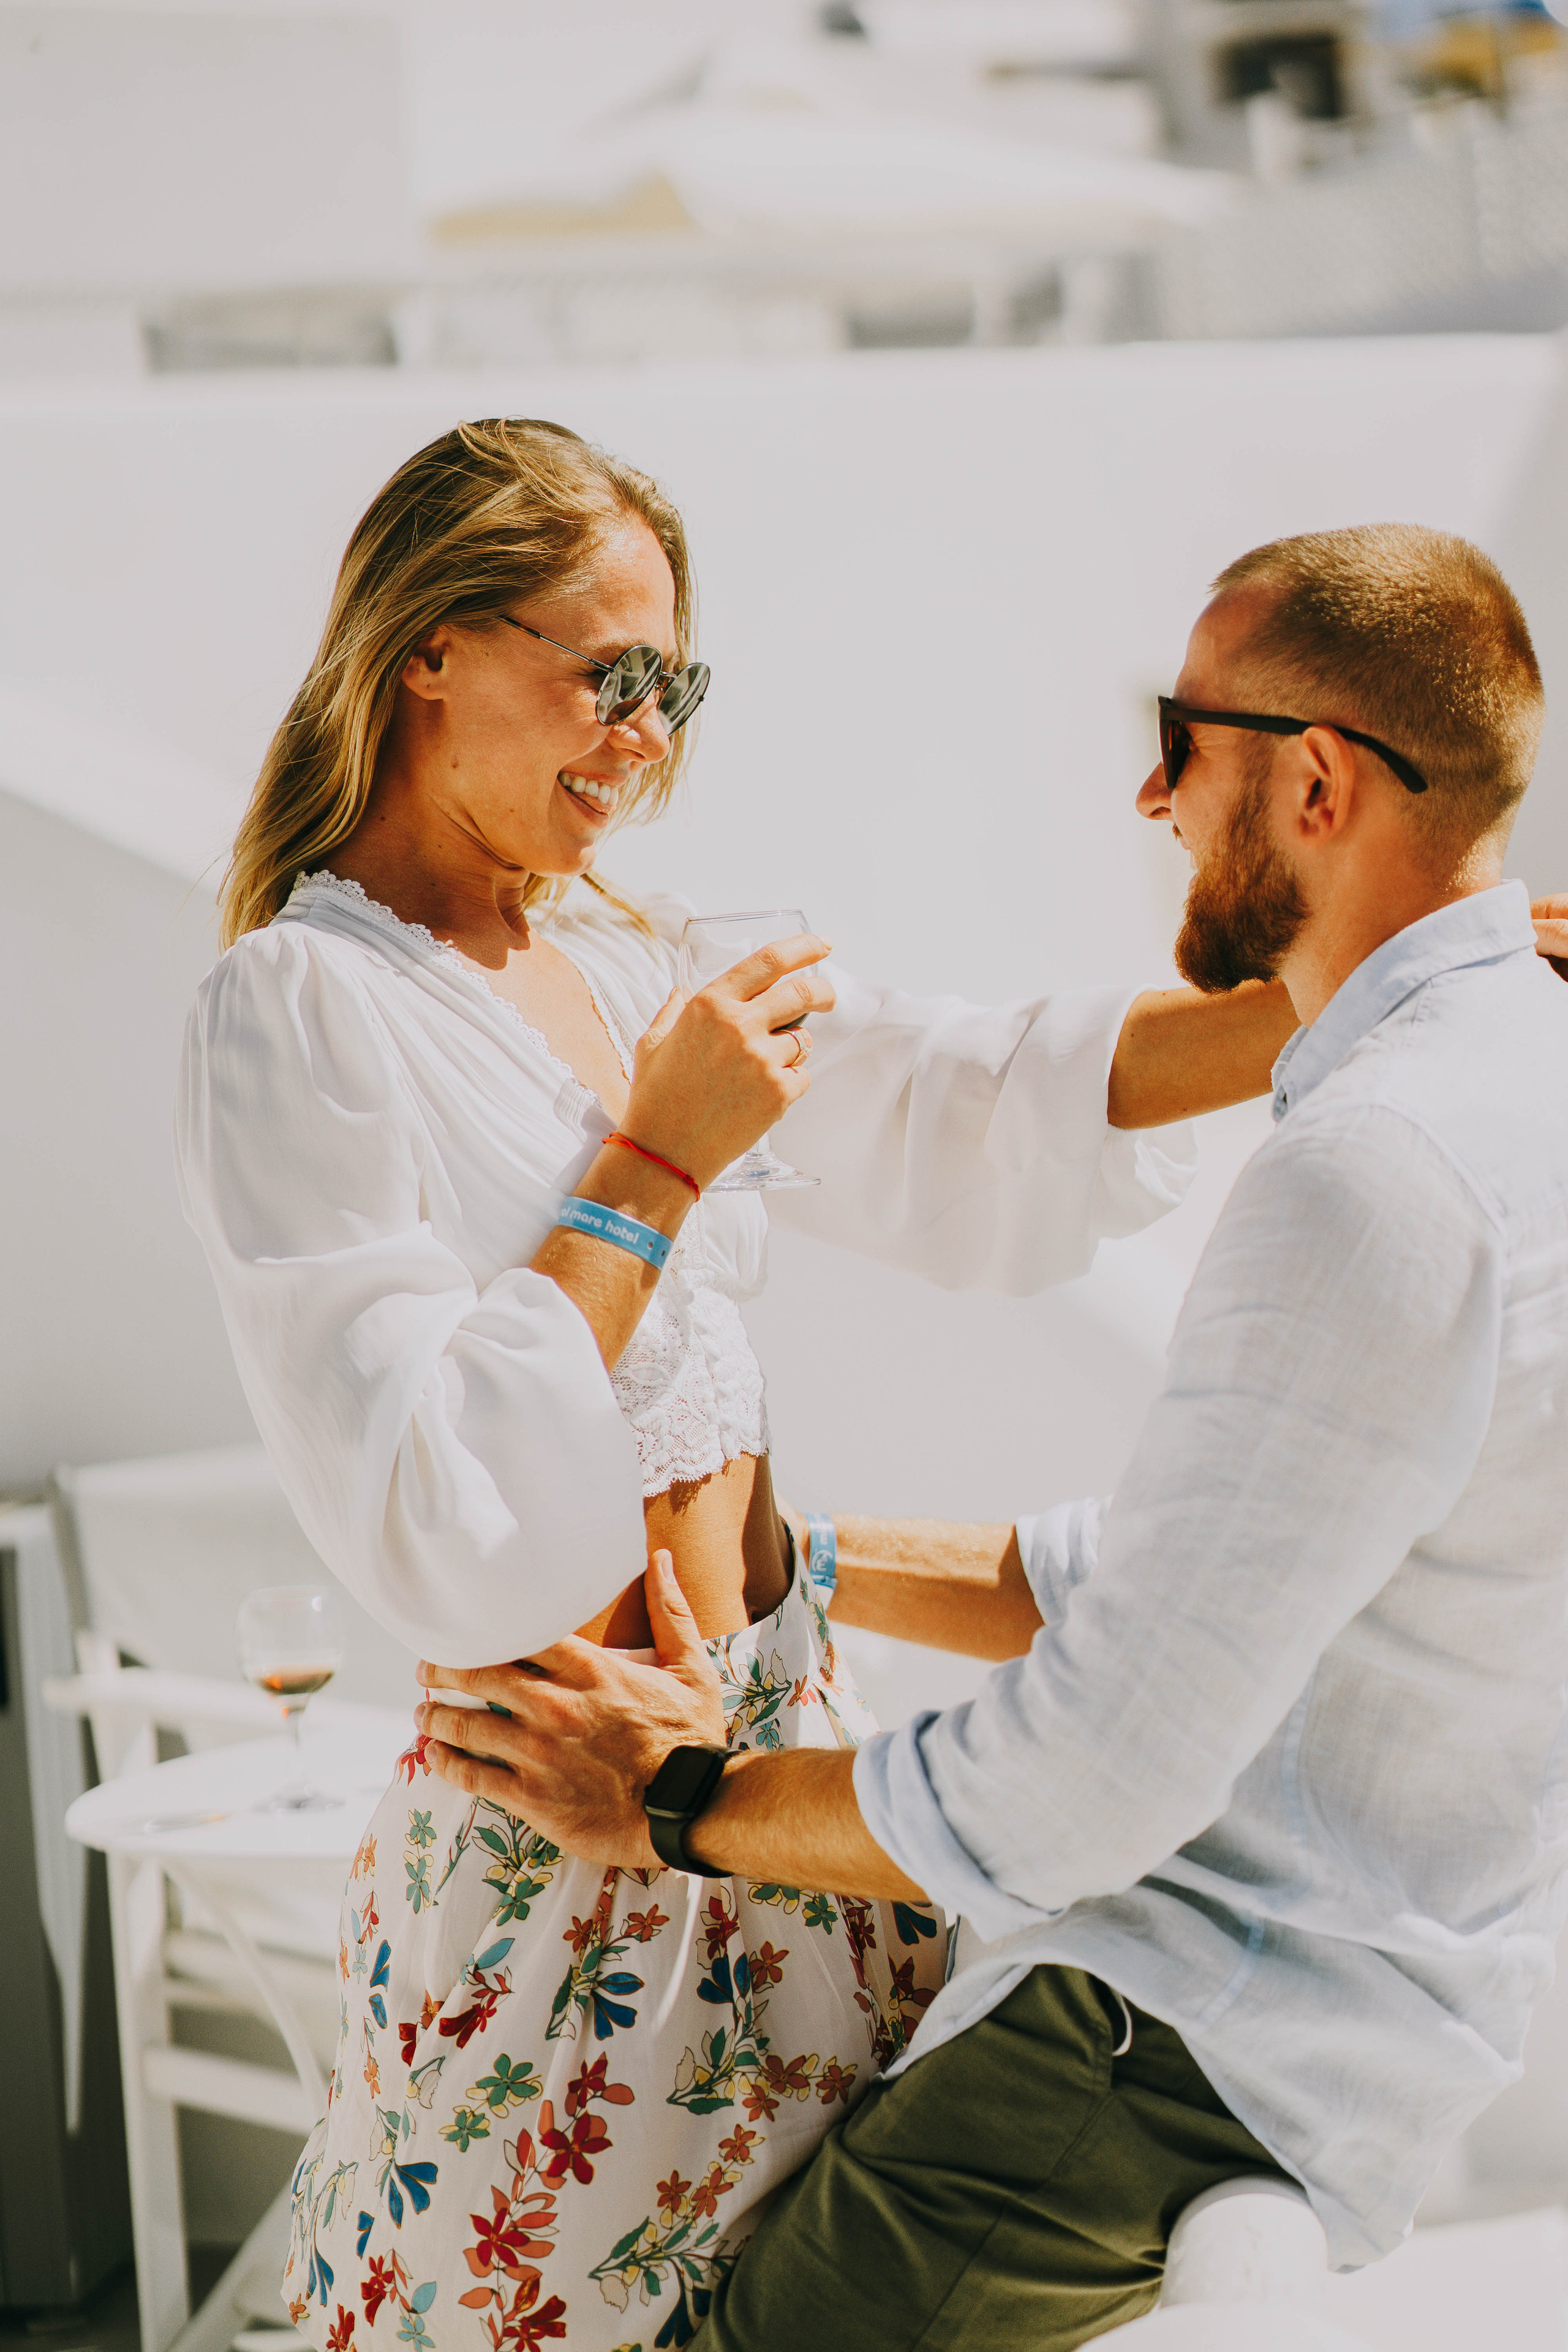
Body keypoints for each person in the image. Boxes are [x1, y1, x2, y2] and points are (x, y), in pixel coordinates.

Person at [176, 420, 1313, 2352]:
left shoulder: (637, 965)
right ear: (427, 644)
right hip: (567, 1839)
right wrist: (655, 1165)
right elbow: (417, 1495)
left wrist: (1344, 999)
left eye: (672, 685)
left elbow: (975, 1092)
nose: (643, 737)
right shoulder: (297, 1013)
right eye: (604, 674)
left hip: (785, 1794)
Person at [414, 523, 1568, 2350]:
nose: (1149, 794)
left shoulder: (1374, 1174)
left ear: (1321, 781)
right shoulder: (1523, 1078)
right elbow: (1212, 1577)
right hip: (1339, 2020)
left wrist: (678, 1800)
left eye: (1181, 743)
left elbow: (1089, 1779)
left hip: (1167, 2047)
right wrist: (818, 1571)